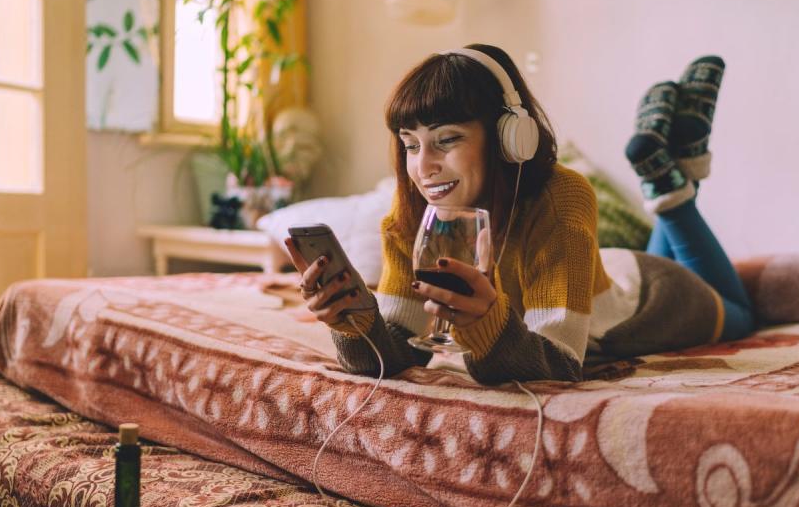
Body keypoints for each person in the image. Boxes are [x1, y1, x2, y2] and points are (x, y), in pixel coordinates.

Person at [284, 44, 755, 384]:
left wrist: (483, 323)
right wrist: (352, 320)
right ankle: (674, 171)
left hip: (658, 299)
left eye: (447, 140)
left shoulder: (562, 197)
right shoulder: (412, 213)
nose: (423, 167)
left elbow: (559, 364)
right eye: (410, 145)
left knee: (742, 314)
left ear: (511, 137)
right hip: (606, 271)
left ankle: (672, 195)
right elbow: (396, 352)